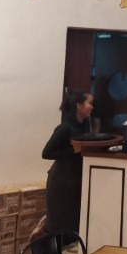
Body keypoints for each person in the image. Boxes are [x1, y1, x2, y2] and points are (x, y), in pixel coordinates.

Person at [42, 91, 93, 238]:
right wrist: (74, 151)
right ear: (79, 106)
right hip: (62, 181)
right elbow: (46, 153)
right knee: (60, 223)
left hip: (75, 179)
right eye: (89, 103)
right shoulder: (65, 128)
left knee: (74, 222)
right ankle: (53, 251)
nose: (92, 107)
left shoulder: (85, 125)